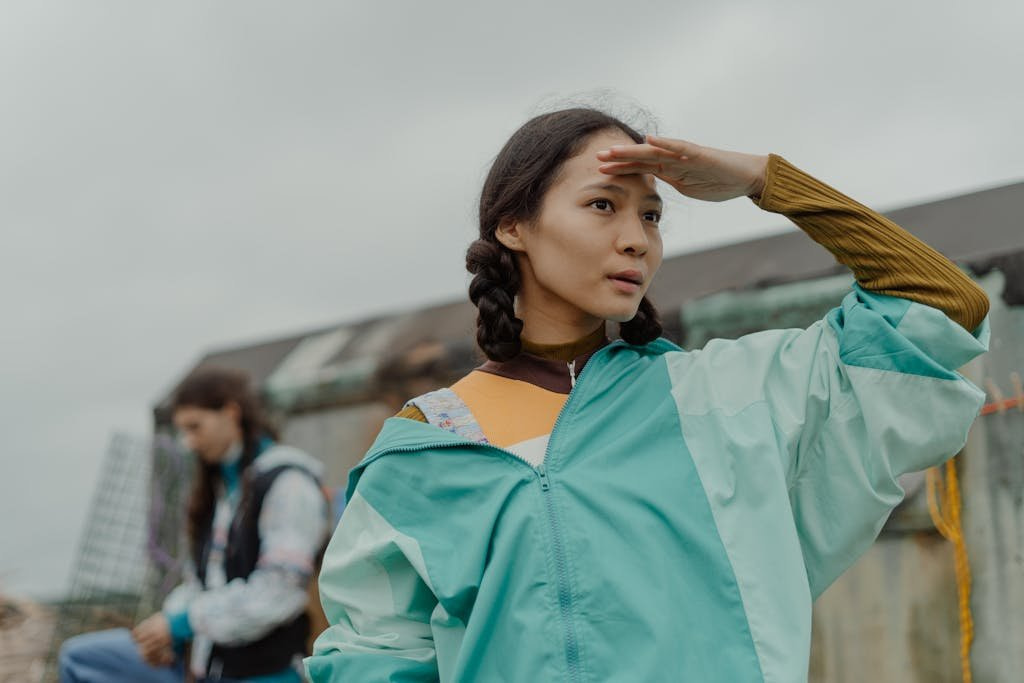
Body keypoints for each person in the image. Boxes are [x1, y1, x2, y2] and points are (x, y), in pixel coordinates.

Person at [305, 108, 990, 682]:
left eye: (653, 215)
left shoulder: (725, 400)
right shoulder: (421, 453)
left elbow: (941, 306)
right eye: (603, 205)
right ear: (514, 226)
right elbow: (375, 658)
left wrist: (764, 180)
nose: (636, 239)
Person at [60, 367, 330, 683]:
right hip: (207, 666)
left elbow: (278, 591)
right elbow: (200, 585)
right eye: (182, 431)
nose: (188, 442)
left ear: (230, 413)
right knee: (80, 659)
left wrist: (184, 622)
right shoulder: (224, 489)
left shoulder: (288, 484)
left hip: (263, 672)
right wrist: (163, 631)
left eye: (195, 427)